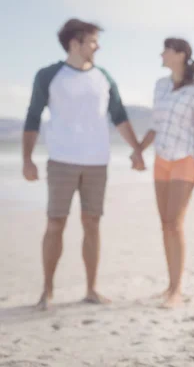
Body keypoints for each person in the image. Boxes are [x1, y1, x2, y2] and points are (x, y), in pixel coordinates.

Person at [22, 18, 144, 310]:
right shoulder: (48, 75)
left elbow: (119, 116)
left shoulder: (104, 76)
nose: (97, 46)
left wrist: (137, 149)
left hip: (96, 163)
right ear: (75, 43)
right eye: (92, 41)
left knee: (92, 224)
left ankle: (91, 288)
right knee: (55, 223)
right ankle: (47, 291)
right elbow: (32, 117)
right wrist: (27, 159)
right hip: (61, 161)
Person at [137, 38, 194, 308]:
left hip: (186, 159)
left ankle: (177, 290)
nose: (161, 53)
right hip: (162, 158)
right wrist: (138, 150)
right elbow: (156, 125)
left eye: (166, 49)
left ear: (180, 55)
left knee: (175, 222)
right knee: (165, 223)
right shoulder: (160, 86)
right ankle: (170, 285)